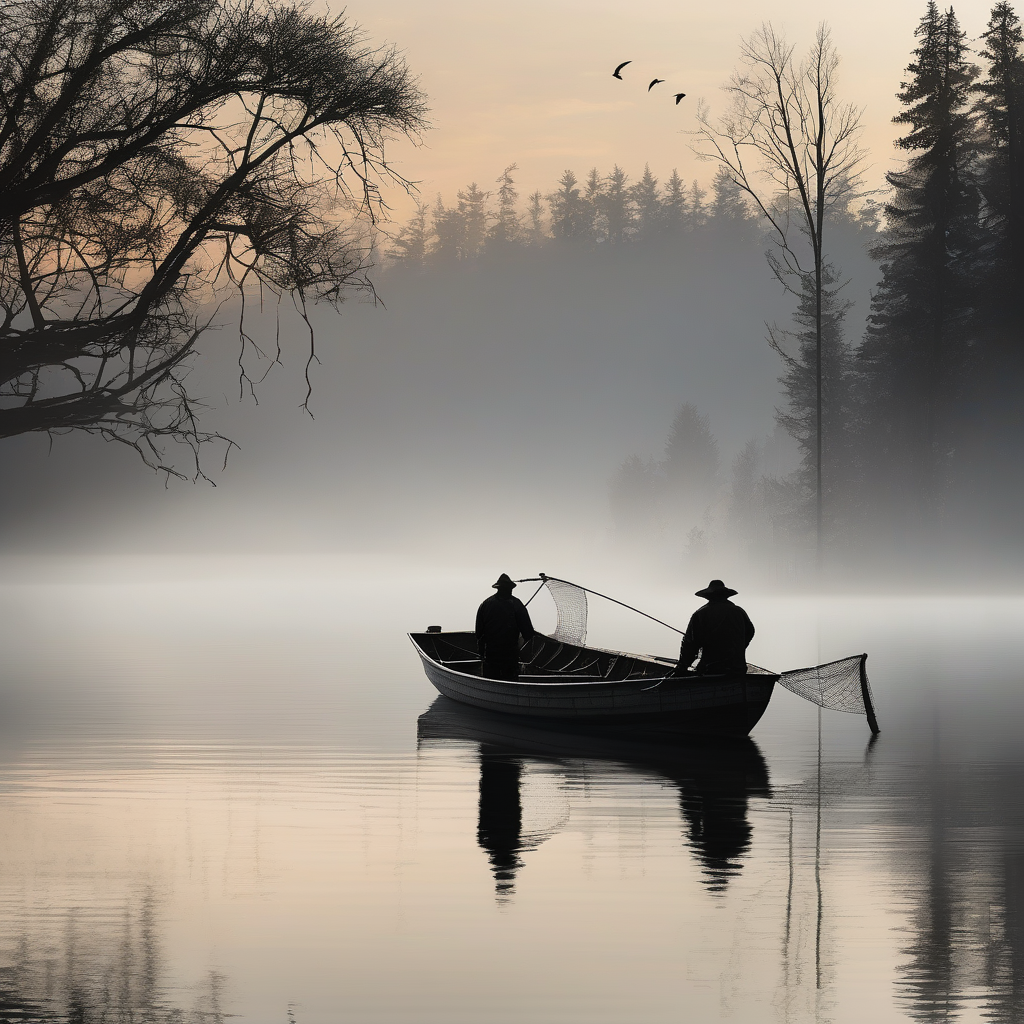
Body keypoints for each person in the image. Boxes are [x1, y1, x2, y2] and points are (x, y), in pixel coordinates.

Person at [674, 579, 754, 676]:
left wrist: (682, 667)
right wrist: (737, 648)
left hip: (710, 670)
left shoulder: (700, 614)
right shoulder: (739, 612)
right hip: (738, 669)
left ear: (709, 596)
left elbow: (690, 644)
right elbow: (750, 632)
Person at [475, 574, 535, 681]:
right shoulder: (517, 604)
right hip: (510, 656)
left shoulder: (485, 604)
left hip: (490, 654)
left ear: (498, 588)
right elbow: (528, 633)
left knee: (491, 682)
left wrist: (481, 653)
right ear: (510, 589)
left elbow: (478, 633)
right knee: (510, 682)